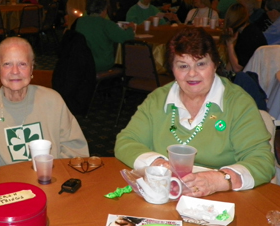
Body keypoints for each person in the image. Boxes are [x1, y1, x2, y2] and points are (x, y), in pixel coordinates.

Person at [115, 27, 275, 197]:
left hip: (222, 199)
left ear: (215, 64)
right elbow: (126, 142)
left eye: (201, 64)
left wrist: (220, 179)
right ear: (172, 69)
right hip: (165, 195)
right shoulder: (158, 100)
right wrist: (158, 163)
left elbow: (262, 161)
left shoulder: (238, 103)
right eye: (183, 66)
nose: (192, 74)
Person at [0, 37, 89, 166]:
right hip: (8, 184)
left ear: (32, 68)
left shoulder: (53, 101)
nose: (15, 71)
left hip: (52, 179)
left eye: (22, 64)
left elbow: (75, 150)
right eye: (7, 64)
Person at [76, 0, 135, 72]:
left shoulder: (80, 22)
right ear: (104, 9)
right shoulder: (106, 24)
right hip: (102, 64)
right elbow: (127, 38)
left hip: (82, 62)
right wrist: (130, 28)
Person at [221, 3, 267, 73]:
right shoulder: (246, 30)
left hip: (254, 76)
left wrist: (229, 45)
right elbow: (231, 64)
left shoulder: (248, 35)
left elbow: (237, 68)